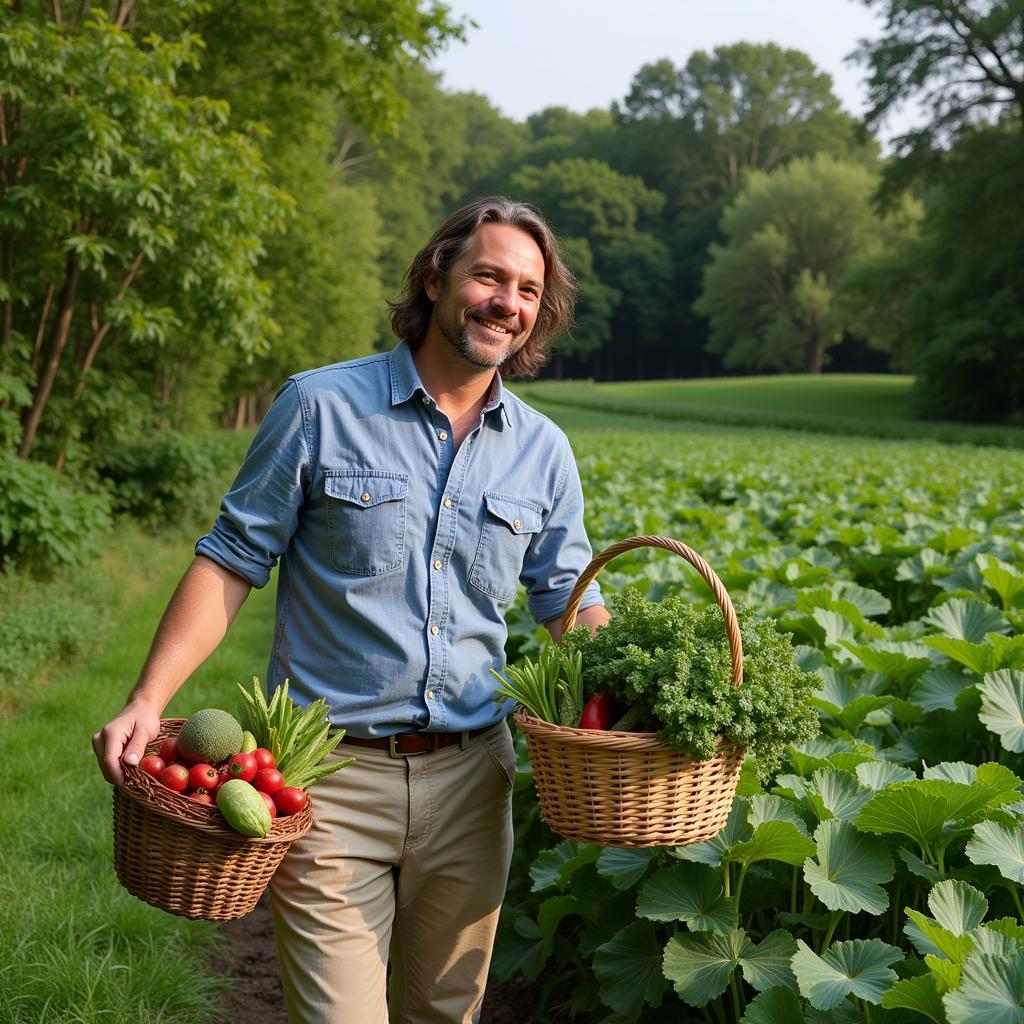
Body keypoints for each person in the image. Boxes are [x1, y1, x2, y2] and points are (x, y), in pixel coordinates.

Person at [92, 196, 610, 1023]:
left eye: (525, 289)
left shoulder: (544, 450)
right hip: (330, 782)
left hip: (476, 781)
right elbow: (230, 561)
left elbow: (570, 603)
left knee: (445, 1013)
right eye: (487, 275)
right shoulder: (321, 407)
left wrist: (638, 699)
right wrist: (148, 700)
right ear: (437, 276)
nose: (505, 302)